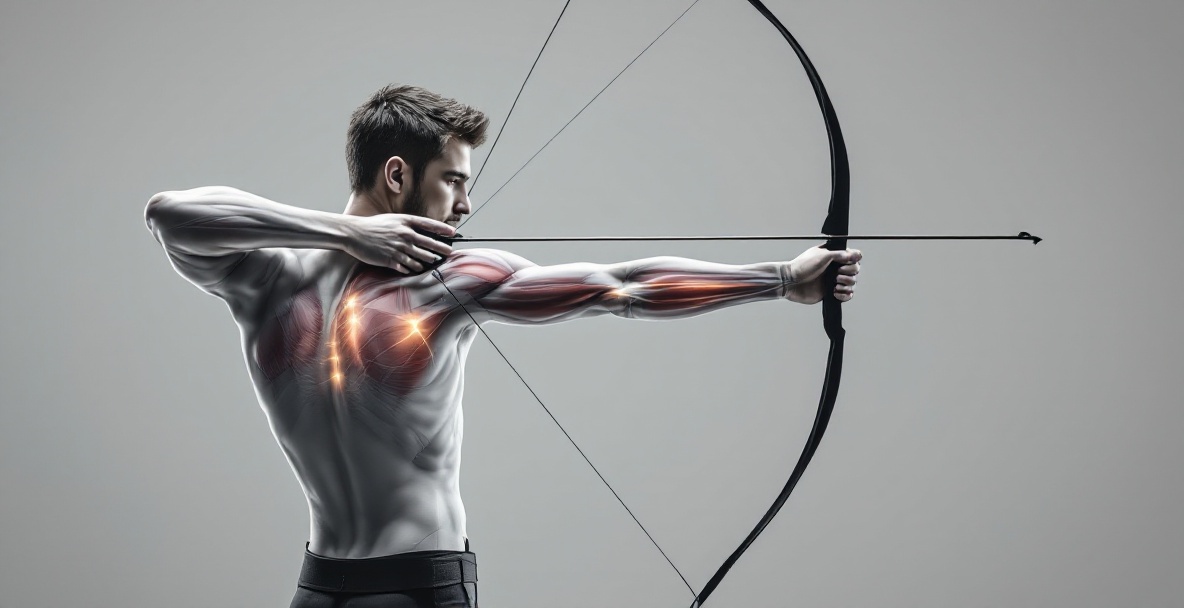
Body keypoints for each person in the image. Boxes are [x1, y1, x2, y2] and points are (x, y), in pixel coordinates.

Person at [144, 84, 862, 608]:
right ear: (398, 175)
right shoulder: (271, 280)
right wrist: (346, 233)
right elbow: (171, 214)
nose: (464, 204)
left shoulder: (447, 283)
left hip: (420, 583)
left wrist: (779, 280)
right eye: (453, 180)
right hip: (319, 583)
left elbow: (621, 286)